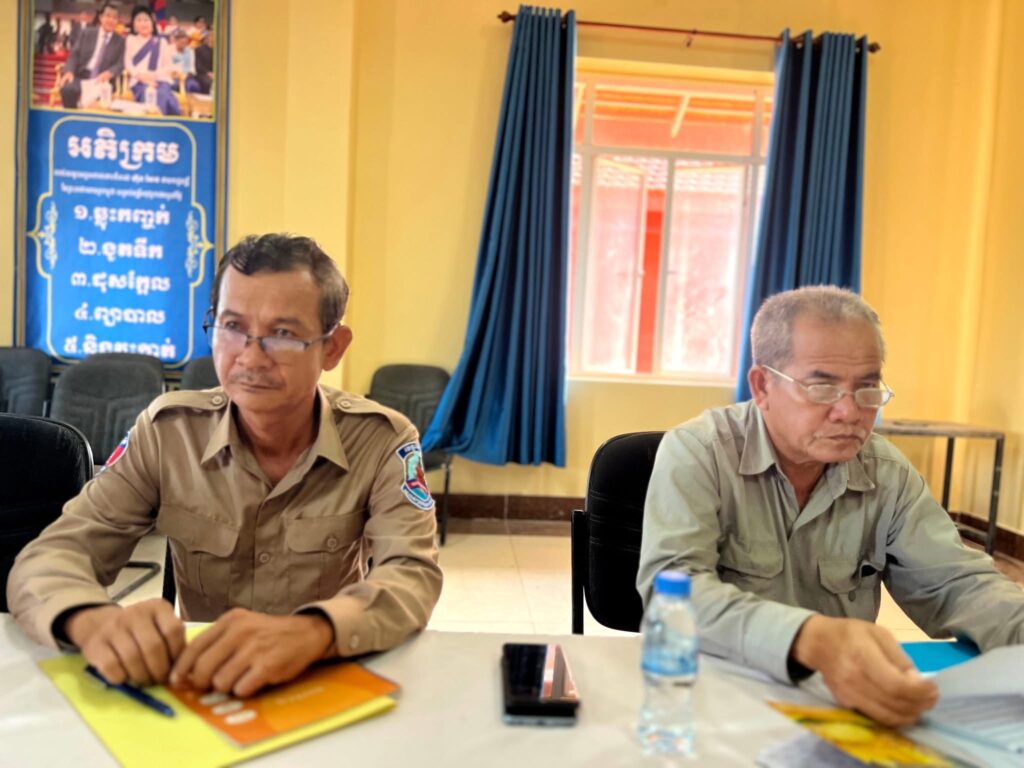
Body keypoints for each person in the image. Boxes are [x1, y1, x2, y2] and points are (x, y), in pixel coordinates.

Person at [7, 233, 443, 698]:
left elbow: (411, 573)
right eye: (232, 326)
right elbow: (52, 557)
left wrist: (315, 631)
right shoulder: (168, 433)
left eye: (283, 334)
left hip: (322, 676)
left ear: (333, 347)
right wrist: (88, 620)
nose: (250, 358)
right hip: (206, 688)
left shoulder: (382, 440)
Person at [637, 285, 1024, 727]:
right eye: (822, 387)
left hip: (842, 708)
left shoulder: (886, 472)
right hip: (718, 700)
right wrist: (806, 638)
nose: (849, 412)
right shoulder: (699, 453)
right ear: (762, 386)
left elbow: (957, 584)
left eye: (867, 388)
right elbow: (672, 593)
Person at [58, 3, 125, 110]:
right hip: (81, 76)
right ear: (101, 18)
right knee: (68, 89)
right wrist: (69, 71)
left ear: (117, 21)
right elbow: (74, 54)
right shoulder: (87, 33)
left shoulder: (120, 41)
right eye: (108, 16)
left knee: (100, 101)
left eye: (114, 18)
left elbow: (120, 63)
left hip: (103, 80)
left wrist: (110, 72)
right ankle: (72, 117)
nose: (111, 20)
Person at [123, 5, 180, 115]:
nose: (143, 23)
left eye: (146, 20)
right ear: (134, 25)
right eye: (139, 20)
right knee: (150, 95)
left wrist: (153, 75)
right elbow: (128, 63)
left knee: (163, 95)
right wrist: (140, 76)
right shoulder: (130, 40)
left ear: (152, 24)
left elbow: (168, 66)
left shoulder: (162, 42)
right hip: (139, 80)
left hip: (159, 79)